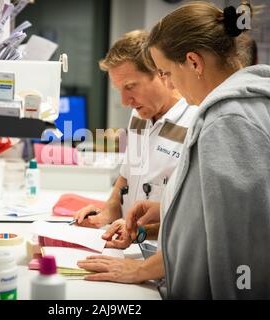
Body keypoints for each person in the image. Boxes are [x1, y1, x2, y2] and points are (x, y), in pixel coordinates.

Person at [122, 2, 270, 299]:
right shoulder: (255, 104)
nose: (168, 83)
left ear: (193, 62)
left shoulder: (229, 120)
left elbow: (242, 251)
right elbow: (236, 209)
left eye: (165, 72)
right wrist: (172, 211)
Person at [74, 30, 198, 283]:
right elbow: (128, 173)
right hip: (131, 251)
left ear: (162, 74)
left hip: (168, 263)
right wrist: (109, 210)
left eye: (130, 87)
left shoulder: (196, 121)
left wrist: (138, 231)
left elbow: (196, 219)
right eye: (119, 89)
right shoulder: (140, 114)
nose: (124, 100)